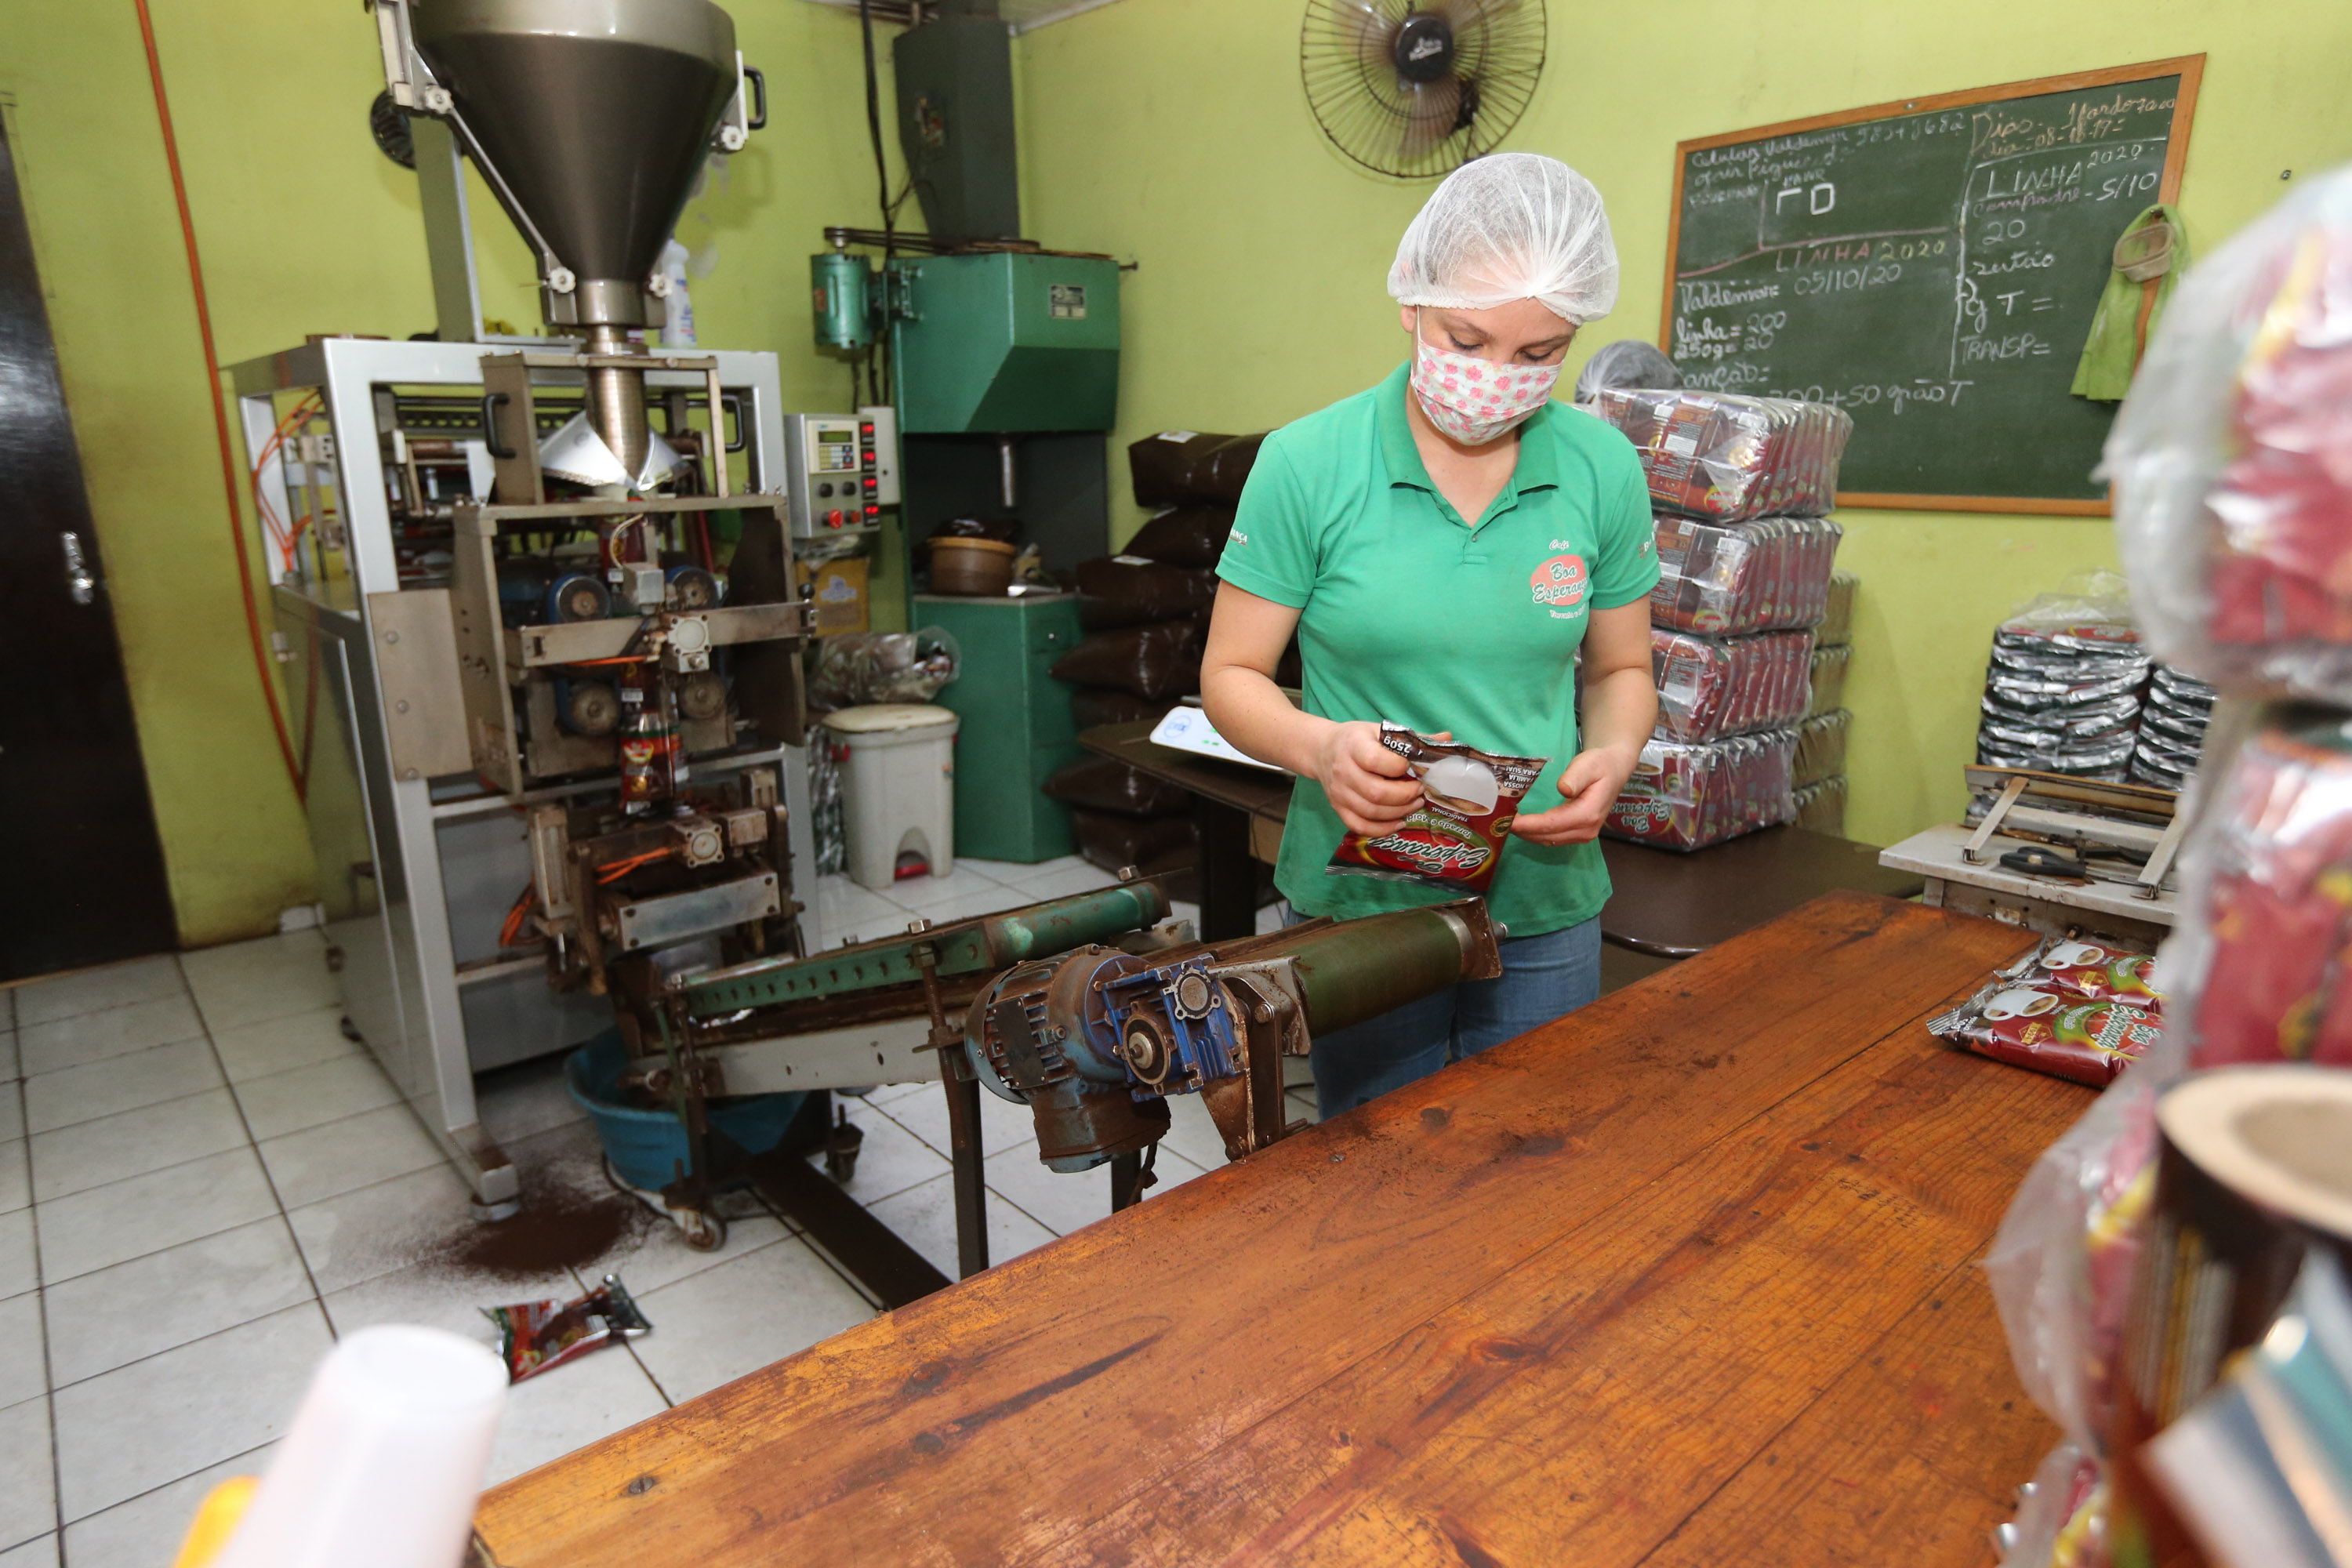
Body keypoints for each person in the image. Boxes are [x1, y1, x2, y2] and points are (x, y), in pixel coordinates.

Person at [1200, 153, 1660, 1117]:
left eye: (1540, 355)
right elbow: (1233, 674)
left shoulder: (1600, 466)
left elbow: (1621, 665)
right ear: (1412, 300)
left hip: (1543, 896)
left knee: (1531, 1163)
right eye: (1468, 337)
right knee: (1379, 1180)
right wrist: (1320, 747)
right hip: (1362, 905)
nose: (1498, 378)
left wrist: (1614, 755)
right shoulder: (1309, 464)